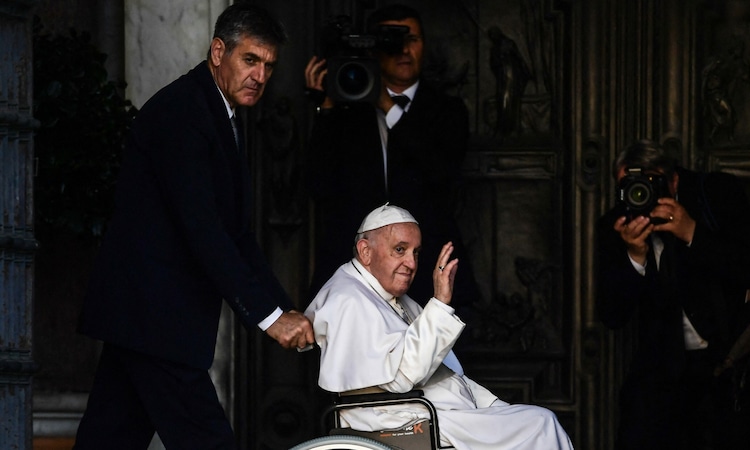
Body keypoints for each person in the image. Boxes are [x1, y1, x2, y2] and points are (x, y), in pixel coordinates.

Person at [73, 4, 314, 449]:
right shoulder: (183, 111)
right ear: (218, 51)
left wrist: (286, 312)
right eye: (250, 60)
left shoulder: (216, 111)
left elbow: (237, 236)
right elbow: (204, 231)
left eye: (269, 65)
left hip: (145, 322)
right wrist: (270, 319)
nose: (260, 76)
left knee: (108, 440)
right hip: (157, 321)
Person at [304, 204, 574, 450]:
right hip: (403, 419)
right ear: (365, 251)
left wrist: (491, 405)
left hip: (428, 411)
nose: (411, 264)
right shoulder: (347, 299)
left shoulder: (392, 296)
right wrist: (441, 304)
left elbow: (447, 372)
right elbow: (401, 378)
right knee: (541, 425)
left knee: (535, 421)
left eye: (416, 253)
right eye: (400, 250)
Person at [596, 139, 750, 450]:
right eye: (630, 185)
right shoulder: (616, 226)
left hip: (729, 368)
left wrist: (692, 232)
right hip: (660, 376)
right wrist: (635, 258)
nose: (641, 193)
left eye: (650, 183)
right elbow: (612, 315)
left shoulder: (716, 194)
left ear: (674, 179)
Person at [304, 4, 479, 309]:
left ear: (425, 44)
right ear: (373, 49)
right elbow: (318, 184)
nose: (403, 50)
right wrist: (326, 107)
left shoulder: (448, 111)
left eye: (411, 39)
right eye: (392, 41)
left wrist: (388, 107)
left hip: (428, 270)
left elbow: (441, 172)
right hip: (356, 272)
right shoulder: (348, 112)